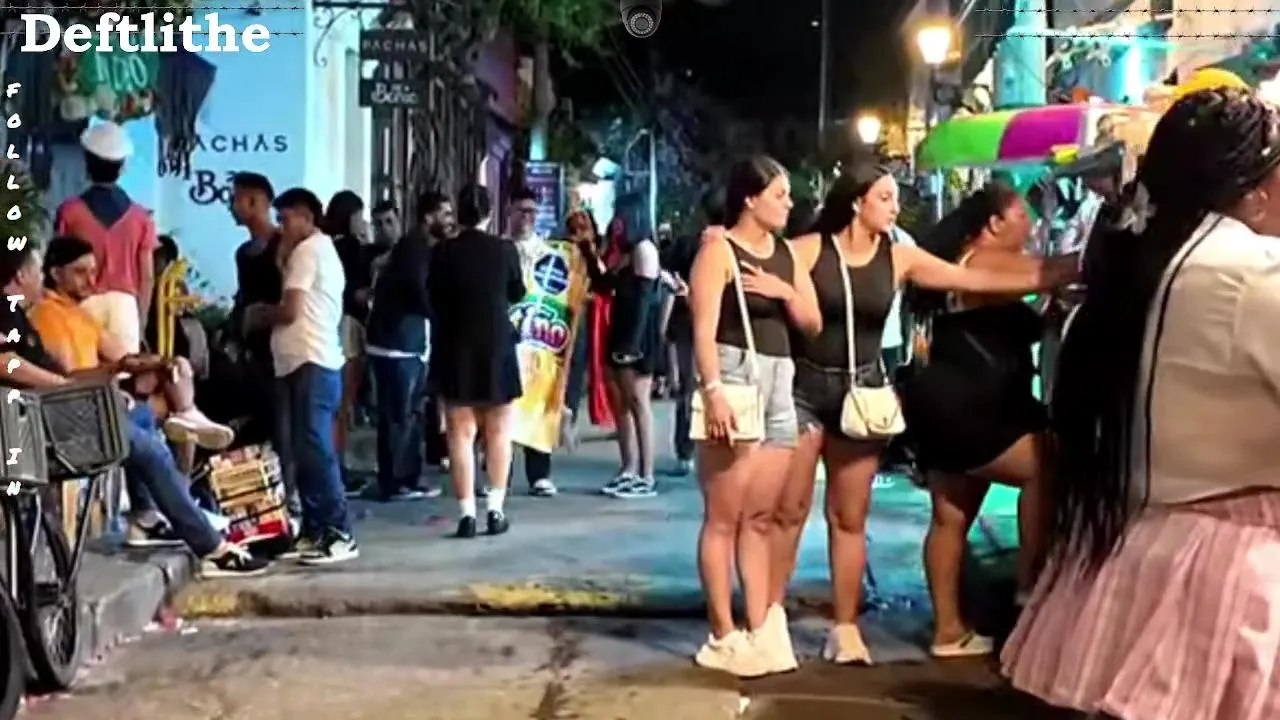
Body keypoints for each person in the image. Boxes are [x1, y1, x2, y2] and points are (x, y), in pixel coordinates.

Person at [1003, 87, 1280, 720]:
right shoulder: (1254, 274)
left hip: (1153, 546)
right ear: (1255, 193)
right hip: (1240, 571)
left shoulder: (1148, 265)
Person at [768, 166, 1077, 665]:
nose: (896, 207)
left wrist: (1062, 277)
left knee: (877, 517)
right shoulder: (812, 250)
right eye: (886, 198)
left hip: (882, 395)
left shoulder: (901, 256)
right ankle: (767, 619)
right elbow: (762, 259)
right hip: (839, 394)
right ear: (857, 202)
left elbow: (974, 282)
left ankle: (862, 629)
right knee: (790, 512)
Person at [0, 242, 268, 577]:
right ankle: (211, 546)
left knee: (142, 415)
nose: (41, 279)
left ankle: (147, 514)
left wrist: (116, 377)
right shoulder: (15, 310)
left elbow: (77, 372)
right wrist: (67, 387)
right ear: (22, 275)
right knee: (149, 449)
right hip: (45, 424)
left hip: (63, 411)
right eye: (38, 272)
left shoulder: (29, 316)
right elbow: (6, 363)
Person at [896, 182, 1078, 657]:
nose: (1031, 225)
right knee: (1045, 465)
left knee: (950, 517)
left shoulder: (967, 266)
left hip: (947, 402)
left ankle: (948, 630)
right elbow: (1049, 271)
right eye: (1022, 216)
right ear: (994, 223)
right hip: (974, 405)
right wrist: (1105, 252)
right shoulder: (979, 261)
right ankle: (1029, 587)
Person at [688, 156, 821, 678]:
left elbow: (812, 321)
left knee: (760, 517)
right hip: (734, 372)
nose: (789, 204)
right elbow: (702, 329)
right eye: (779, 194)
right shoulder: (718, 250)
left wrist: (783, 291)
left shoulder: (785, 253)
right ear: (750, 198)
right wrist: (713, 391)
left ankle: (760, 626)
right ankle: (722, 634)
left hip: (779, 379)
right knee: (723, 516)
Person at [30, 234, 235, 450]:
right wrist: (121, 367)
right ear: (56, 274)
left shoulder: (79, 314)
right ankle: (186, 417)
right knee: (166, 413)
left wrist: (159, 362)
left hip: (104, 393)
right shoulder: (47, 313)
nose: (91, 281)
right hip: (84, 404)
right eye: (80, 273)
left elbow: (122, 355)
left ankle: (187, 415)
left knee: (173, 369)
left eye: (93, 272)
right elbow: (69, 378)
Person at [258, 187, 356, 565]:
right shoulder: (314, 251)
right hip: (305, 363)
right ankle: (316, 529)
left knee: (316, 450)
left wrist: (258, 315)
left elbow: (290, 310)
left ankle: (338, 531)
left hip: (311, 362)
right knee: (305, 451)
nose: (280, 227)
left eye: (285, 219)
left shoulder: (309, 250)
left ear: (306, 217)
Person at [428, 184, 524, 538]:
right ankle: (495, 510)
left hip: (455, 348)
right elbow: (517, 292)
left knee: (460, 435)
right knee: (499, 433)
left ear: (459, 213)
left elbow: (433, 296)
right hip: (497, 347)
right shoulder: (504, 250)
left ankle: (466, 515)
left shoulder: (443, 252)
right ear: (489, 212)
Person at [363, 190, 448, 502]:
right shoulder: (415, 248)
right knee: (401, 414)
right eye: (445, 214)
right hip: (398, 343)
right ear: (429, 216)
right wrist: (440, 316)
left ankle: (402, 477)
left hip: (399, 342)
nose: (449, 220)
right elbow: (418, 291)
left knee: (404, 413)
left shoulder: (414, 246)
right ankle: (398, 481)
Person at [55, 121, 156, 353]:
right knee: (125, 372)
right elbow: (147, 277)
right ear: (122, 167)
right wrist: (140, 322)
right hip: (125, 308)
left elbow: (58, 266)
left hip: (82, 305)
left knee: (84, 371)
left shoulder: (70, 212)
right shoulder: (141, 218)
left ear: (86, 163)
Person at [664, 191, 723, 476]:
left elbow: (664, 270)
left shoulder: (690, 243)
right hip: (723, 324)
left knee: (688, 388)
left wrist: (680, 288)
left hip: (688, 323)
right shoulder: (733, 244)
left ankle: (685, 451)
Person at [506, 188, 560, 497]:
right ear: (509, 212)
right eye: (520, 211)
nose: (526, 217)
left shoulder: (549, 254)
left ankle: (539, 473)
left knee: (539, 404)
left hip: (539, 340)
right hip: (507, 338)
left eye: (531, 211)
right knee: (503, 407)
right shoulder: (500, 250)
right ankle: (500, 472)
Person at [228, 172, 283, 448]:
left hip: (280, 349)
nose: (231, 206)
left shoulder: (283, 247)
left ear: (253, 202)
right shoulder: (243, 254)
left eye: (235, 199)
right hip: (254, 351)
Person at [324, 190, 373, 494]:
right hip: (350, 327)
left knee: (335, 405)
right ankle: (337, 468)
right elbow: (358, 292)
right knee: (343, 403)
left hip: (332, 325)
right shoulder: (352, 249)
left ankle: (336, 465)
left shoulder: (324, 245)